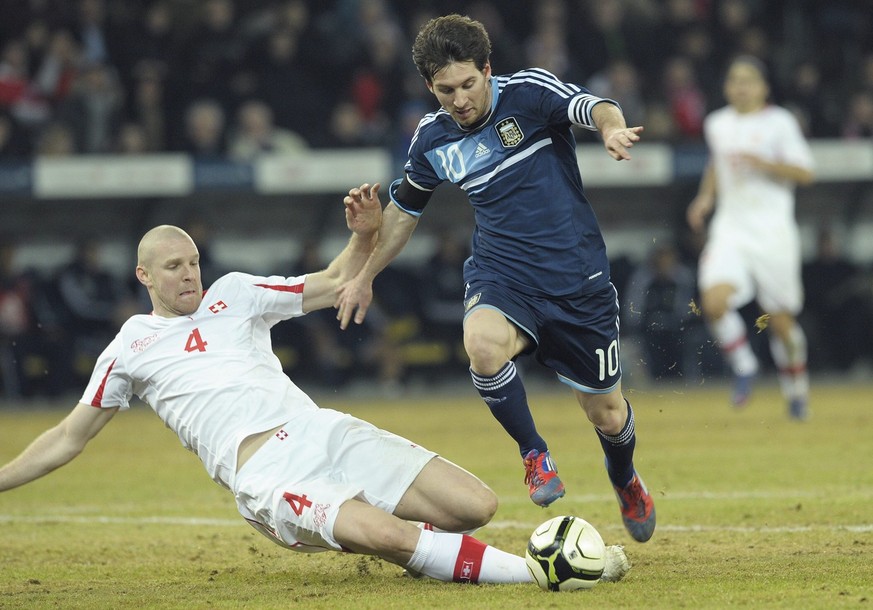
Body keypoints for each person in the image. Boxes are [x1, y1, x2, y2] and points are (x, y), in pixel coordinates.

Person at [0, 187, 630, 585]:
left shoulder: (234, 293)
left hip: (321, 429)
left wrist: (362, 236)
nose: (190, 273)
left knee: (476, 507)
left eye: (193, 261)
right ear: (144, 275)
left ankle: (408, 542)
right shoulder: (129, 347)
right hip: (269, 474)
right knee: (390, 537)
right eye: (175, 266)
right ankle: (548, 572)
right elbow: (68, 436)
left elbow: (332, 282)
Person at [336, 14, 655, 543]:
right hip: (502, 275)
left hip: (578, 283)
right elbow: (403, 213)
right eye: (445, 90)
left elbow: (593, 105)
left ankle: (624, 478)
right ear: (428, 87)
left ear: (487, 70)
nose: (459, 100)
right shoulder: (431, 138)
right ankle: (535, 454)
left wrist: (611, 129)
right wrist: (365, 273)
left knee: (607, 412)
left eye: (468, 84)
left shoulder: (528, 94)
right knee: (481, 346)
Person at [686, 55, 815, 420]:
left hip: (773, 234)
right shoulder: (717, 123)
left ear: (764, 87)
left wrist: (765, 163)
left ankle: (796, 392)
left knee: (781, 322)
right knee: (713, 302)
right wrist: (705, 197)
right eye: (734, 79)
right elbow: (716, 164)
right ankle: (744, 366)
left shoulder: (780, 122)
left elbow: (805, 172)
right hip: (731, 230)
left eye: (748, 79)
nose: (740, 86)